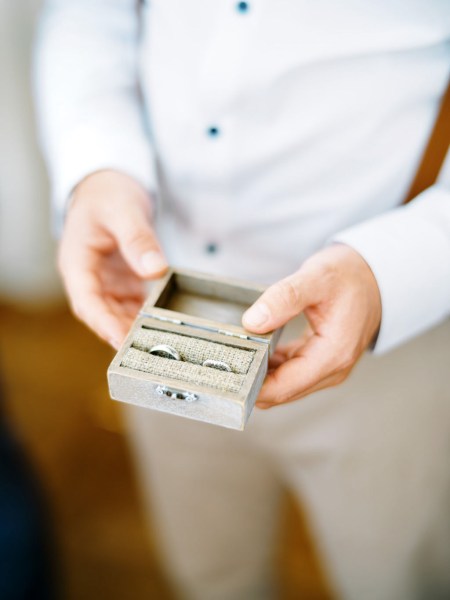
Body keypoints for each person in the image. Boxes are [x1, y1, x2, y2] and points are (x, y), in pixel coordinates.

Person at [34, 1, 450, 598]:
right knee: (211, 573)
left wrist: (394, 270)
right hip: (160, 318)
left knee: (399, 578)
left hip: (393, 331)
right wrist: (97, 164)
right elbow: (87, 14)